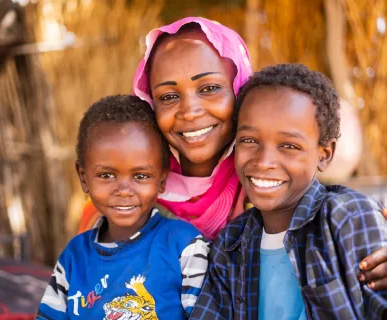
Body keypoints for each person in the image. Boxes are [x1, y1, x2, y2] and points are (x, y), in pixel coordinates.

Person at [79, 17, 387, 291]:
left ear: (239, 90)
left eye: (209, 88)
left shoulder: (272, 183)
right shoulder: (129, 199)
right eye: (169, 96)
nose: (190, 110)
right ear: (151, 106)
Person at [190, 64, 387, 320]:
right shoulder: (230, 245)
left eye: (288, 145)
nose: (263, 161)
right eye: (249, 141)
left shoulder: (347, 218)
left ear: (324, 155)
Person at [36, 95, 210, 319]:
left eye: (140, 175)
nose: (124, 190)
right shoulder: (73, 258)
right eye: (106, 175)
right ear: (84, 177)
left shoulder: (185, 246)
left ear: (162, 180)